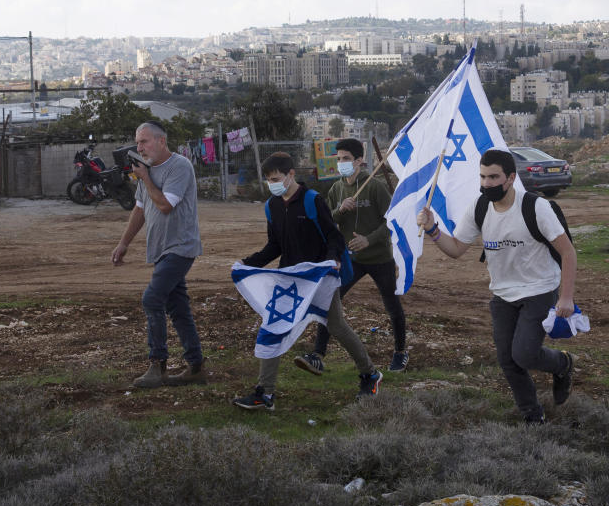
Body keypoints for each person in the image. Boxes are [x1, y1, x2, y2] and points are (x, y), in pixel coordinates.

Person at [416, 148, 576, 424]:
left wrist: (566, 298)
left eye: (493, 177)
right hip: (502, 294)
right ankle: (532, 415)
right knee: (507, 360)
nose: (487, 183)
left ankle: (563, 364)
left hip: (539, 290)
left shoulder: (536, 207)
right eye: (482, 177)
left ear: (511, 177)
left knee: (524, 354)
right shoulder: (479, 207)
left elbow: (568, 253)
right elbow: (455, 249)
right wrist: (432, 230)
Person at [233, 151, 382, 411]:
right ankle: (265, 393)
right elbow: (275, 246)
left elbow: (332, 236)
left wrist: (333, 259)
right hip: (290, 280)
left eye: (276, 178)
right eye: (268, 180)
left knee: (336, 326)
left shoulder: (312, 200)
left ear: (291, 175)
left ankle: (370, 374)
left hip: (318, 279)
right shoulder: (272, 206)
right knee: (274, 326)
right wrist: (247, 263)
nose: (273, 184)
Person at [295, 138, 408, 376]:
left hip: (379, 258)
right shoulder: (337, 189)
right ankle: (318, 355)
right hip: (350, 260)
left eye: (346, 159)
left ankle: (400, 352)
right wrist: (339, 209)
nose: (341, 163)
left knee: (392, 305)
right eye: (339, 159)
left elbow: (393, 220)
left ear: (359, 161)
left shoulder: (374, 186)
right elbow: (326, 222)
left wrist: (369, 239)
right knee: (330, 302)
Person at [111, 121, 205, 388]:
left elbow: (164, 205)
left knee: (152, 298)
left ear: (161, 141)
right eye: (138, 142)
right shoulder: (147, 171)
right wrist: (123, 243)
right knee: (178, 308)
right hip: (161, 249)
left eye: (145, 142)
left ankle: (157, 365)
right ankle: (196, 366)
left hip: (181, 247)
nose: (140, 148)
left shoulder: (179, 167)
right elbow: (140, 209)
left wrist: (146, 178)